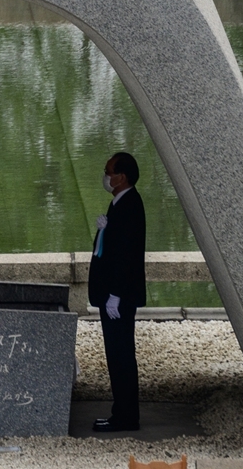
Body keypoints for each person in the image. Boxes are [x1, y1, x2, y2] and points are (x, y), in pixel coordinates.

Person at [89, 152, 146, 432]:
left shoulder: (130, 205)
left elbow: (127, 256)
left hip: (119, 298)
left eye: (109, 171)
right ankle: (121, 413)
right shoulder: (119, 203)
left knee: (122, 356)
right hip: (114, 294)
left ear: (121, 177)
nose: (106, 176)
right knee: (116, 356)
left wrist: (116, 294)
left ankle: (126, 417)